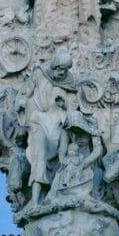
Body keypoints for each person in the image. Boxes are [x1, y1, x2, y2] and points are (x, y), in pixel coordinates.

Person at [25, 54, 76, 205]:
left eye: (66, 69)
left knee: (64, 155)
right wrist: (21, 102)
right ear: (54, 65)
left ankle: (58, 193)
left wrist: (65, 105)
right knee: (39, 153)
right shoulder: (39, 73)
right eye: (60, 68)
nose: (62, 72)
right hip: (39, 120)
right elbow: (25, 92)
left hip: (57, 124)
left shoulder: (69, 82)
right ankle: (35, 201)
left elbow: (72, 107)